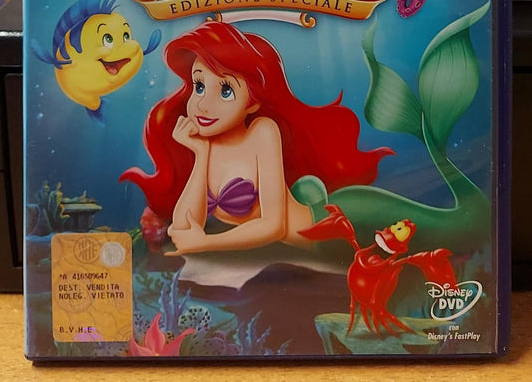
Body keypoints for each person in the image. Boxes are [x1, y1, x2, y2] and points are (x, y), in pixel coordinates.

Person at [120, 20, 393, 255]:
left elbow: (274, 226)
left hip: (334, 226)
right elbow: (183, 226)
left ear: (252, 103)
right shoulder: (205, 145)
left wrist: (206, 243)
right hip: (322, 245)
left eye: (226, 91)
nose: (202, 104)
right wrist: (200, 155)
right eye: (199, 85)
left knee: (414, 230)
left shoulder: (262, 131)